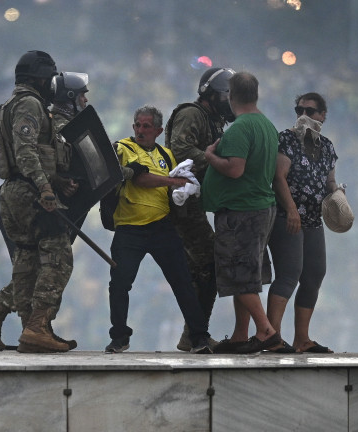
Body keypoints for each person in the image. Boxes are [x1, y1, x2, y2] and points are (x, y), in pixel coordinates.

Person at [0, 71, 87, 352]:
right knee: (58, 256)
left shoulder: (14, 108)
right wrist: (47, 188)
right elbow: (29, 154)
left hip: (13, 191)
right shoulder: (45, 115)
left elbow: (43, 159)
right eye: (82, 94)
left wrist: (55, 180)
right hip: (32, 193)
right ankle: (37, 327)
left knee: (29, 258)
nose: (86, 99)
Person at [104, 105, 213, 354]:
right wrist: (174, 181)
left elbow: (176, 181)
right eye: (137, 125)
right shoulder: (124, 148)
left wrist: (185, 189)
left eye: (146, 126)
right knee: (120, 283)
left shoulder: (166, 155)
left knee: (183, 281)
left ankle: (199, 337)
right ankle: (119, 337)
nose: (140, 130)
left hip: (162, 226)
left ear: (158, 130)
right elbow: (140, 179)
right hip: (129, 228)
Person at [201, 71, 287, 354]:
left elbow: (235, 169)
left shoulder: (240, 128)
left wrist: (211, 156)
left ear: (230, 96)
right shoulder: (266, 125)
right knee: (247, 274)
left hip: (242, 211)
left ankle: (265, 331)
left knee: (239, 273)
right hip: (261, 208)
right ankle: (240, 335)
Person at [165, 67, 236, 351]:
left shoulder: (213, 120)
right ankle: (196, 334)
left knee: (203, 268)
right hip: (182, 202)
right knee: (209, 261)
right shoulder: (192, 114)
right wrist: (214, 159)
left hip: (194, 202)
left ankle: (194, 333)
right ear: (212, 94)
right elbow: (179, 151)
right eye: (227, 95)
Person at [267, 92, 339, 354]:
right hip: (288, 217)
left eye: (310, 111)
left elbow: (329, 181)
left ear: (322, 116)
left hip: (312, 219)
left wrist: (338, 195)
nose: (303, 116)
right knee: (289, 274)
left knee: (314, 274)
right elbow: (279, 177)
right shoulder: (286, 139)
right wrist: (291, 209)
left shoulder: (327, 147)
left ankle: (302, 339)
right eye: (299, 111)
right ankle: (272, 336)